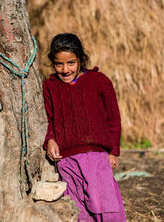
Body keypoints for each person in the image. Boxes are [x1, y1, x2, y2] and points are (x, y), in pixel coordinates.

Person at [43, 33, 126, 222]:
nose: (65, 69)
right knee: (77, 203)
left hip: (96, 156)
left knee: (103, 202)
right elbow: (48, 118)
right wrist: (50, 139)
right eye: (59, 64)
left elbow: (113, 118)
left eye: (71, 62)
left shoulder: (99, 81)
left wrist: (113, 151)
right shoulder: (50, 86)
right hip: (66, 158)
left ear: (81, 59)